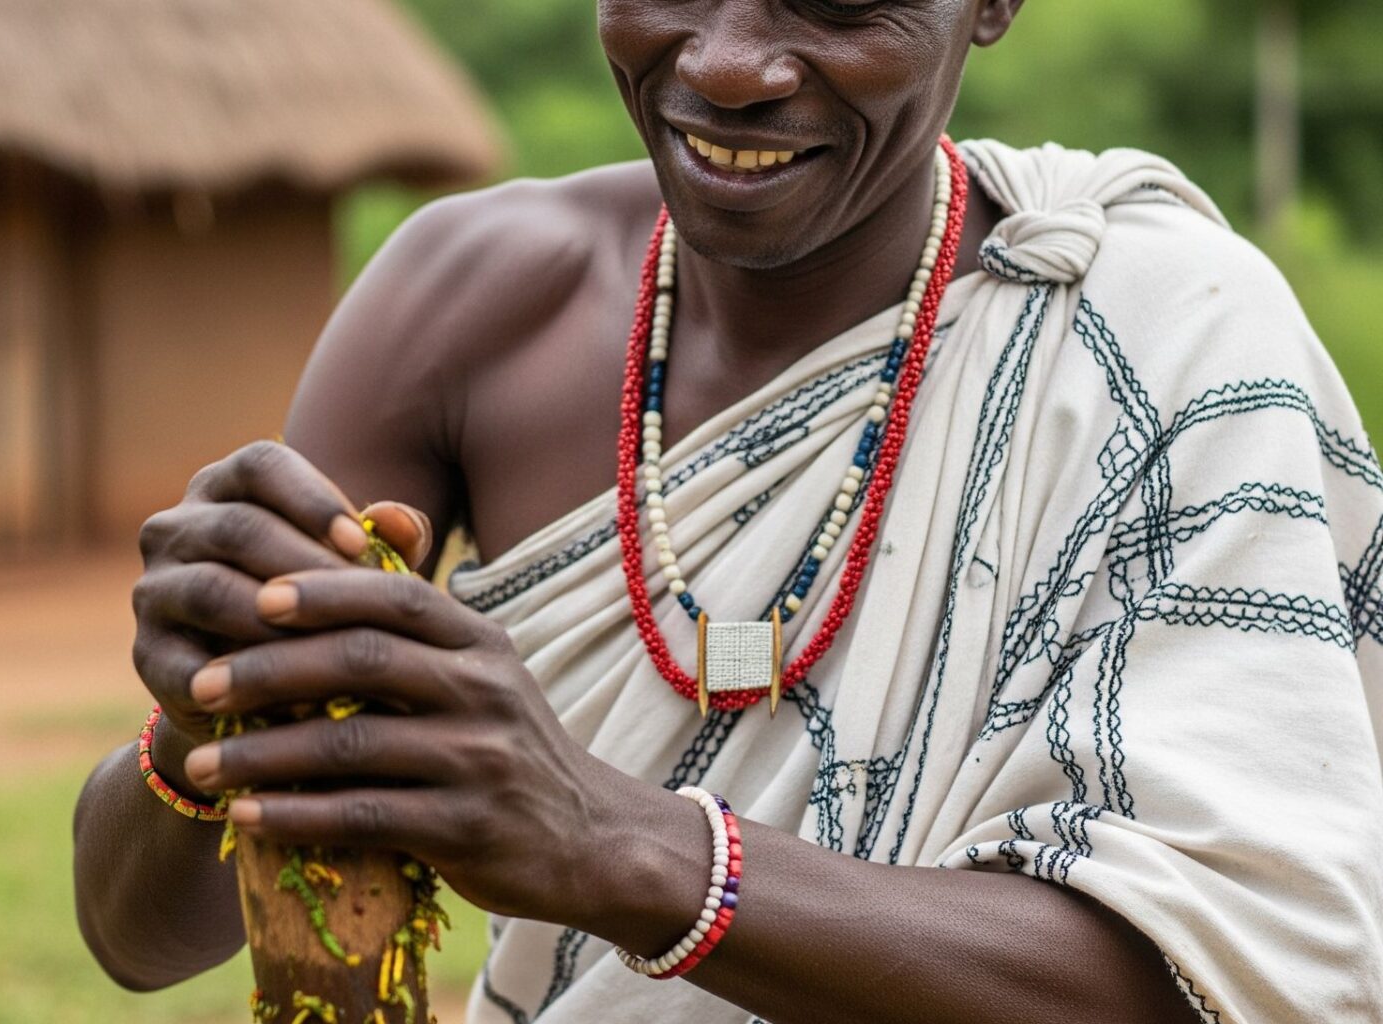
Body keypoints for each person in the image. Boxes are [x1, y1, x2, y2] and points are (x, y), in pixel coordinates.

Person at [74, 0, 1383, 1020]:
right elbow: (137, 938)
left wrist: (619, 847)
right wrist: (207, 725)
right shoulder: (465, 310)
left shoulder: (1154, 338)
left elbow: (1244, 970)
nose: (730, 62)